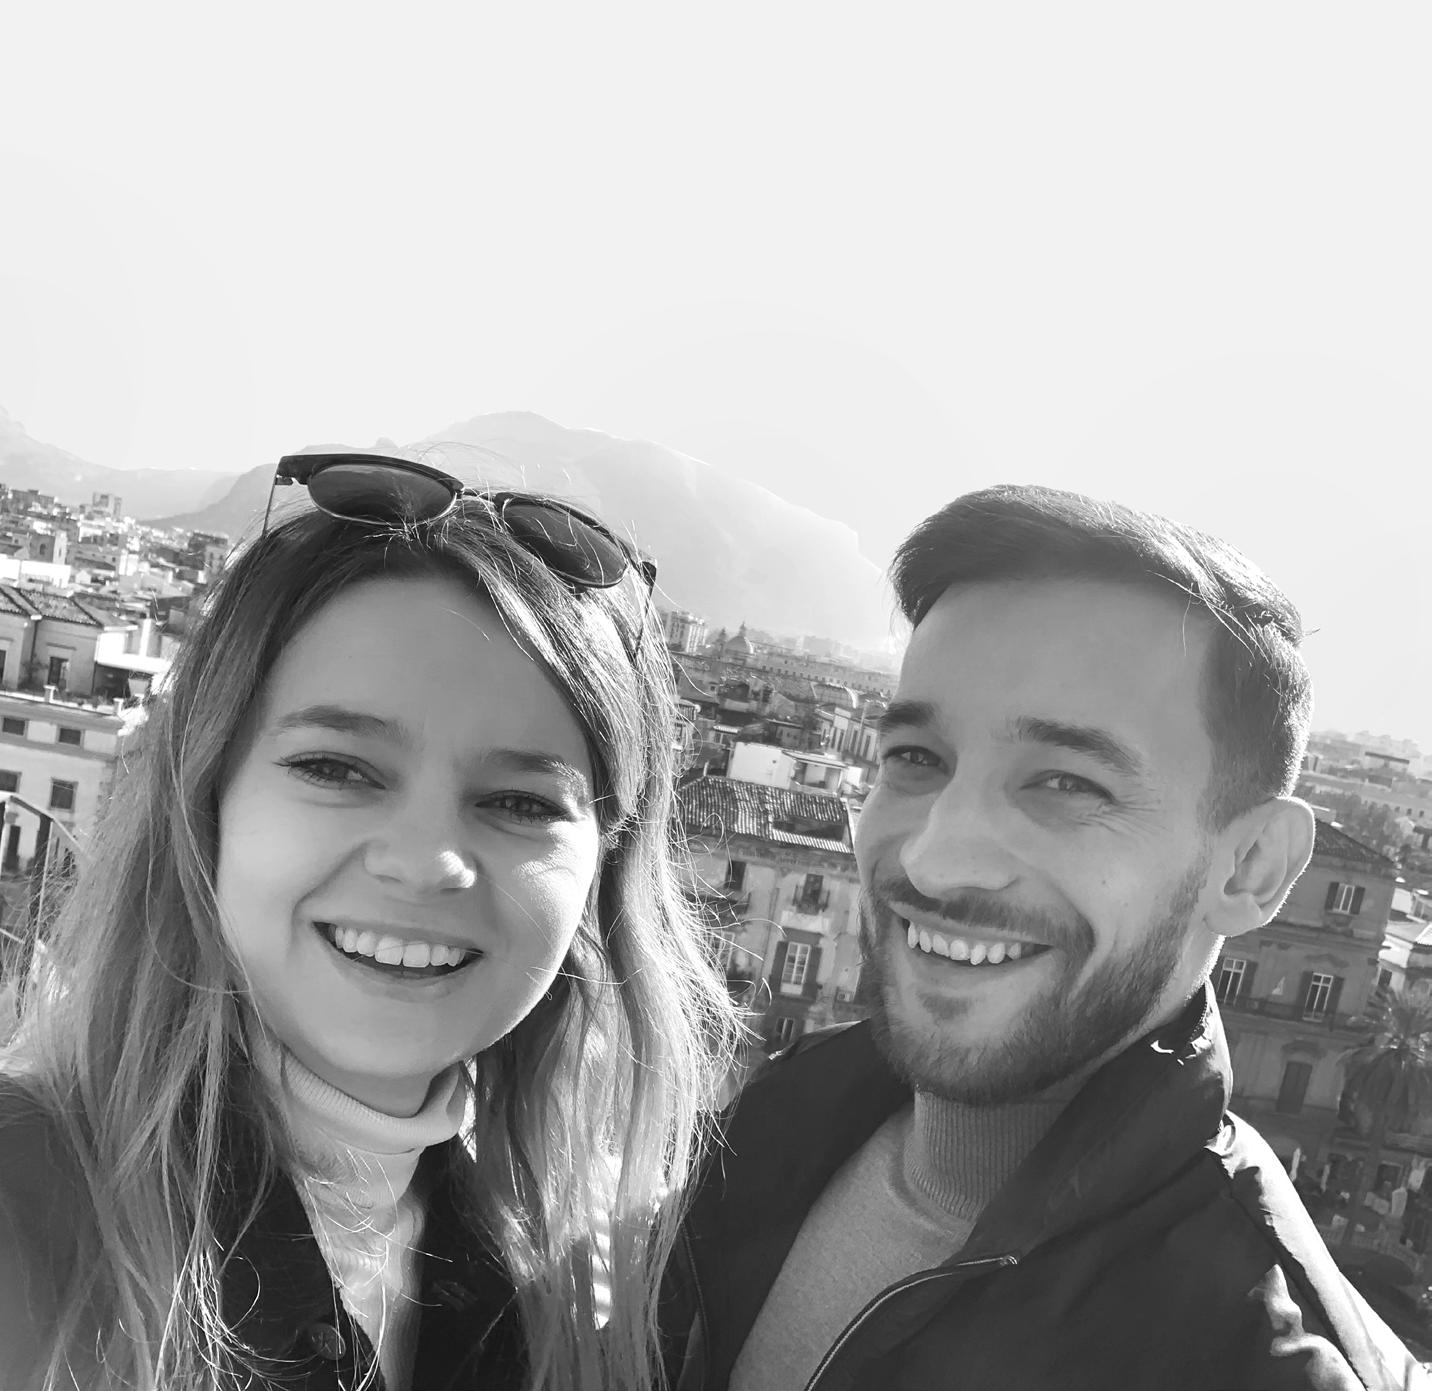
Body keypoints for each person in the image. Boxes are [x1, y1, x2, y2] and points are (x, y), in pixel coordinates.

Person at [0, 452, 739, 1391]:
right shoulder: (24, 1209)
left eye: (519, 802)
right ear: (206, 800)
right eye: (338, 768)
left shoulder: (582, 1292)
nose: (426, 861)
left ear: (604, 871)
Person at [668, 485, 1428, 1390]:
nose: (937, 859)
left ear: (1251, 868)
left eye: (1067, 782)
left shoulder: (1256, 1361)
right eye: (916, 758)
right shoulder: (780, 1115)